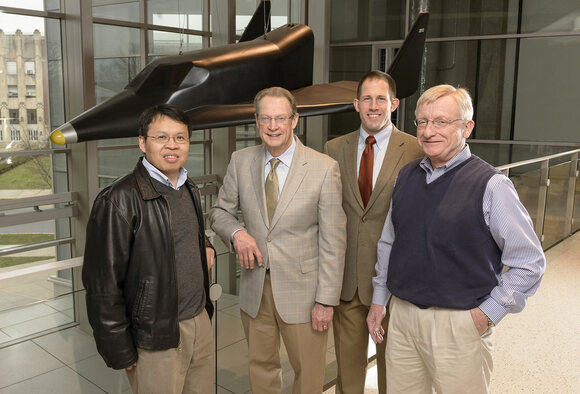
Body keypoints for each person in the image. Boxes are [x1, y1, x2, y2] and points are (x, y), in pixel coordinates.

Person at [367, 84, 546, 394]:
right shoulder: (405, 177)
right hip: (404, 319)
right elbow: (389, 244)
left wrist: (486, 315)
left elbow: (529, 263)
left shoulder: (492, 185)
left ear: (467, 127)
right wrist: (379, 301)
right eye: (422, 122)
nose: (428, 131)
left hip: (460, 322)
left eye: (441, 122)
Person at [209, 87, 346, 394]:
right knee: (261, 368)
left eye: (280, 118)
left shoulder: (324, 168)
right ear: (256, 121)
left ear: (294, 120)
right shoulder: (240, 161)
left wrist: (325, 300)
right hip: (255, 288)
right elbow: (219, 212)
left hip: (306, 294)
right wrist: (237, 233)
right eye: (266, 118)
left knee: (308, 374)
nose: (273, 126)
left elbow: (334, 241)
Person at [82, 104, 215, 394]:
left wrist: (206, 245)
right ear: (142, 142)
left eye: (180, 138)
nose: (172, 145)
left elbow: (181, 233)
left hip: (199, 321)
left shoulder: (187, 187)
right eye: (161, 137)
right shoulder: (117, 200)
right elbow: (102, 283)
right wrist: (118, 346)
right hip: (154, 335)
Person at [324, 70, 423, 394]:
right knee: (348, 376)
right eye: (367, 98)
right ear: (356, 104)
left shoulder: (415, 149)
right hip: (347, 283)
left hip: (396, 284)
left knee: (394, 374)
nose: (374, 105)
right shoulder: (333, 149)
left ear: (394, 103)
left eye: (381, 98)